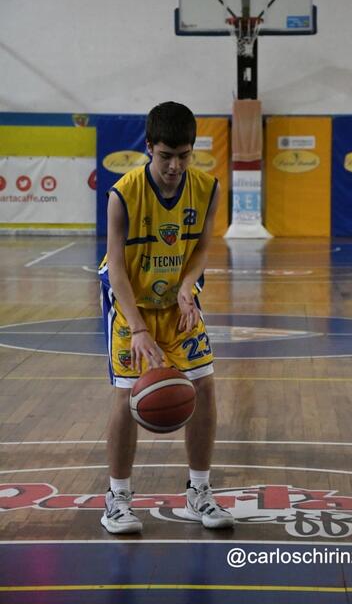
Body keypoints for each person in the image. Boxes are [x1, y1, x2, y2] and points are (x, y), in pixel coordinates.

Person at [98, 101, 234, 534]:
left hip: (178, 305)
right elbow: (116, 268)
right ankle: (117, 499)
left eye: (184, 155)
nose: (175, 166)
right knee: (127, 395)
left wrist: (188, 286)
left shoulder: (207, 189)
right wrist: (137, 328)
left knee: (205, 386)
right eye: (166, 156)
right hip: (131, 304)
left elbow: (201, 249)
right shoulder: (123, 194)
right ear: (149, 148)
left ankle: (199, 492)